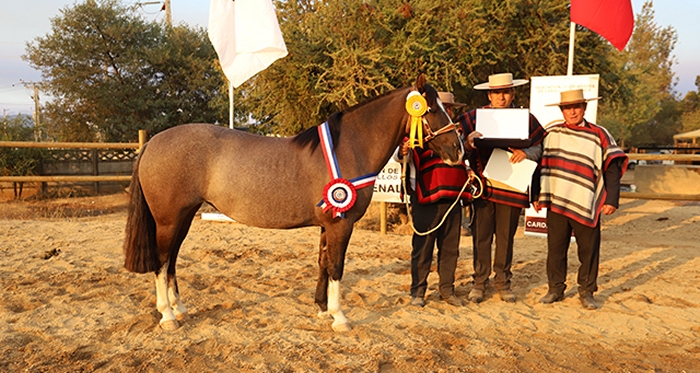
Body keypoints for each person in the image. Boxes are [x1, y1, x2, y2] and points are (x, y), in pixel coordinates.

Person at [532, 89, 628, 310]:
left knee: (588, 249)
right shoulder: (551, 133)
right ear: (562, 110)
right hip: (556, 198)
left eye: (576, 107)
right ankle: (555, 288)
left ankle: (587, 291)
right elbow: (538, 164)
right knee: (555, 248)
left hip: (586, 199)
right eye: (567, 107)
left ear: (584, 108)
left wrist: (611, 199)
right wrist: (537, 194)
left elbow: (611, 168)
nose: (572, 111)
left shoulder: (599, 134)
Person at [456, 73, 546, 303]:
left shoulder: (527, 119)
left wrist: (527, 153)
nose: (501, 97)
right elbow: (456, 149)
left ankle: (503, 282)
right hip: (483, 187)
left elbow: (541, 146)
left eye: (506, 92)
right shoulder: (473, 118)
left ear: (513, 93)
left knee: (506, 238)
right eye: (497, 92)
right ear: (489, 94)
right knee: (481, 236)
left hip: (513, 186)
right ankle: (479, 282)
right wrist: (467, 142)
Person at [395, 91, 471, 308]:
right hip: (426, 195)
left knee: (450, 248)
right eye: (441, 109)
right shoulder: (417, 132)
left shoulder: (457, 133)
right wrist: (403, 151)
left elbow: (465, 156)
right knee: (423, 246)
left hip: (454, 196)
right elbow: (399, 156)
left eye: (448, 108)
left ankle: (447, 289)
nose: (446, 112)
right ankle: (418, 291)